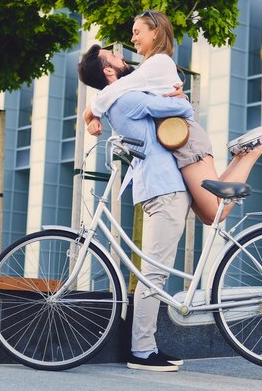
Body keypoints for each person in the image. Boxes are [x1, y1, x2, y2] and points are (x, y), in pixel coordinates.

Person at [83, 10, 262, 225]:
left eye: (137, 32)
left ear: (155, 32)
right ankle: (241, 155)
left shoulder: (158, 63)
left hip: (187, 141)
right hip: (178, 141)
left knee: (215, 213)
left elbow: (110, 93)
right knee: (209, 216)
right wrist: (94, 116)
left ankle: (251, 153)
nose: (132, 39)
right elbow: (115, 91)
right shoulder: (147, 68)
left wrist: (89, 115)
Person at [78, 44, 194, 372]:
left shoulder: (117, 98)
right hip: (164, 188)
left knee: (152, 270)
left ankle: (145, 346)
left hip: (156, 187)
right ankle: (142, 351)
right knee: (154, 272)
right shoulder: (127, 98)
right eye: (115, 57)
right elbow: (185, 112)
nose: (123, 57)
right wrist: (178, 99)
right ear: (110, 72)